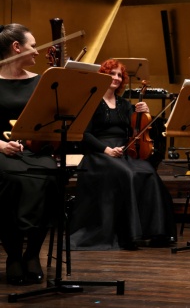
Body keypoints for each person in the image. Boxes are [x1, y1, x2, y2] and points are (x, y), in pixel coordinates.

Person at [70, 59, 176, 251]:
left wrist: (145, 113)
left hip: (124, 150)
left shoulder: (125, 104)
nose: (116, 78)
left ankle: (155, 232)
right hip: (99, 153)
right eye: (112, 74)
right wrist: (106, 150)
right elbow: (84, 134)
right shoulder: (91, 101)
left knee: (148, 172)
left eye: (120, 75)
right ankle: (129, 234)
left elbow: (136, 129)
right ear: (102, 75)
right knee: (126, 174)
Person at [0, 23, 58, 285]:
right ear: (16, 47)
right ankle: (13, 255)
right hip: (1, 150)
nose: (37, 51)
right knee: (12, 180)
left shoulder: (40, 81)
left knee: (51, 175)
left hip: (34, 149)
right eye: (33, 45)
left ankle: (32, 253)